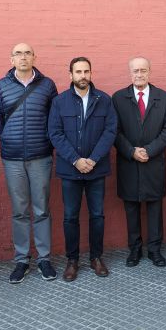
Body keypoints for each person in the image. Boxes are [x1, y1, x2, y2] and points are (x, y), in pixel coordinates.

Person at [0, 43, 58, 283]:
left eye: (27, 53)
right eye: (18, 54)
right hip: (13, 159)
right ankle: (21, 260)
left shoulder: (47, 85)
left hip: (41, 156)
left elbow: (54, 118)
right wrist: (10, 141)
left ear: (34, 57)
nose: (23, 57)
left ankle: (44, 259)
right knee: (19, 211)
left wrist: (46, 142)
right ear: (11, 59)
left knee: (41, 209)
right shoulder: (1, 86)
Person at [48, 57, 117, 281]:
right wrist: (76, 160)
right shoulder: (59, 102)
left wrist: (94, 159)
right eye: (78, 72)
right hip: (70, 170)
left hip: (97, 169)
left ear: (91, 73)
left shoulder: (104, 100)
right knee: (70, 216)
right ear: (70, 75)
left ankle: (96, 257)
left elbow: (110, 131)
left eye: (86, 71)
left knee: (97, 215)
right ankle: (72, 260)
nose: (83, 75)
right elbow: (55, 133)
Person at [113, 57, 166, 267]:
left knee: (155, 208)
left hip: (153, 162)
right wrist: (131, 151)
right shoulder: (118, 98)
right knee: (131, 208)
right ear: (130, 73)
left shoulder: (163, 97)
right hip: (128, 162)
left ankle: (155, 250)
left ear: (149, 72)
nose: (139, 74)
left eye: (143, 70)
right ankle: (135, 250)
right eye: (135, 71)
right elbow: (114, 130)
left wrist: (149, 150)